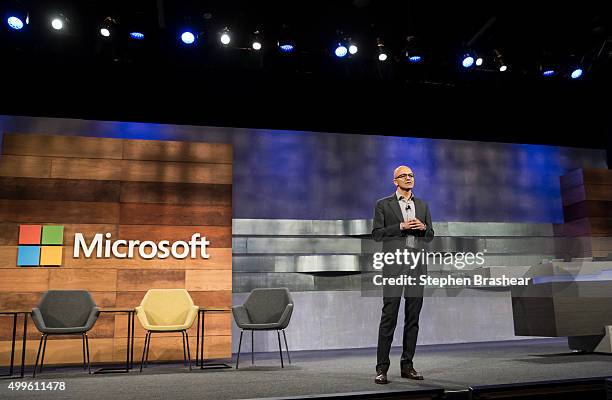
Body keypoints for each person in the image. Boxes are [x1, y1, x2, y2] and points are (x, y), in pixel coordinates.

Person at [372, 165, 434, 384]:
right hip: (394, 266)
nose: (408, 178)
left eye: (411, 176)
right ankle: (382, 368)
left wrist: (423, 227)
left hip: (416, 266)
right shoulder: (383, 205)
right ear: (395, 181)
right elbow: (377, 235)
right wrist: (400, 225)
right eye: (404, 176)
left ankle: (407, 365)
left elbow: (430, 236)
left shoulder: (422, 205)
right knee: (389, 317)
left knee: (413, 319)